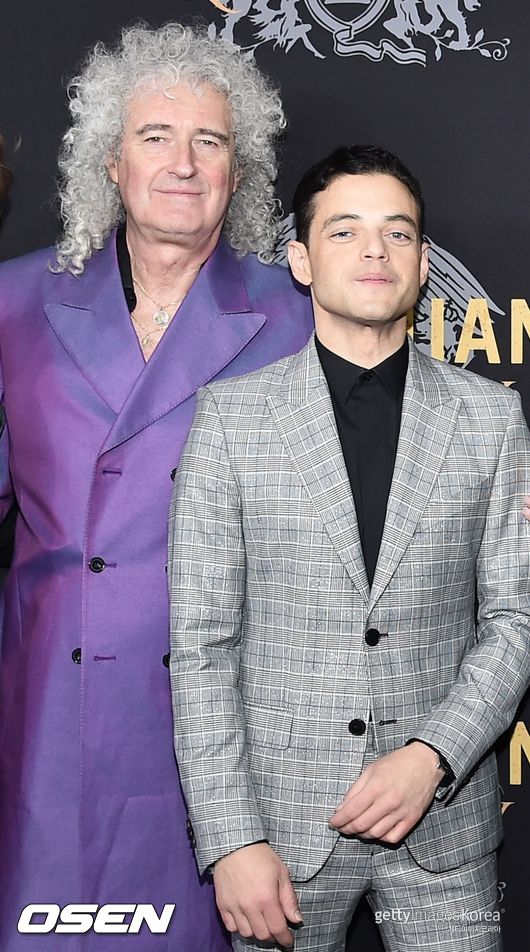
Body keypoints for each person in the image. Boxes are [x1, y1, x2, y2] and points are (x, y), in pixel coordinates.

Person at [168, 145, 530, 952]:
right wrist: (230, 838)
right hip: (279, 839)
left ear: (424, 262)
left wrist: (433, 755)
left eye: (398, 233)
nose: (375, 250)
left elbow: (517, 615)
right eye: (345, 231)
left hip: (445, 832)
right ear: (300, 260)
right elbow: (200, 646)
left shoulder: (490, 419)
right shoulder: (230, 419)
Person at [0, 22, 312, 951]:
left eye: (209, 141)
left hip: (217, 734)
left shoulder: (297, 316)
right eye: (155, 136)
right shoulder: (13, 303)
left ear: (238, 172)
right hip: (49, 717)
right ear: (110, 161)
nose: (183, 163)